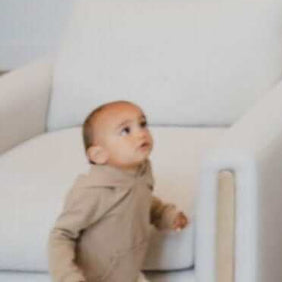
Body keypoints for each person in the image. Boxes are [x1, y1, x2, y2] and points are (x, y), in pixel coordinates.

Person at [47, 100, 189, 282]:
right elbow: (61, 235)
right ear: (99, 154)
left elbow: (142, 201)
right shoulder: (93, 191)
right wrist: (67, 277)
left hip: (128, 274)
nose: (141, 134)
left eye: (142, 124)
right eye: (125, 131)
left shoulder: (141, 171)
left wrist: (165, 215)